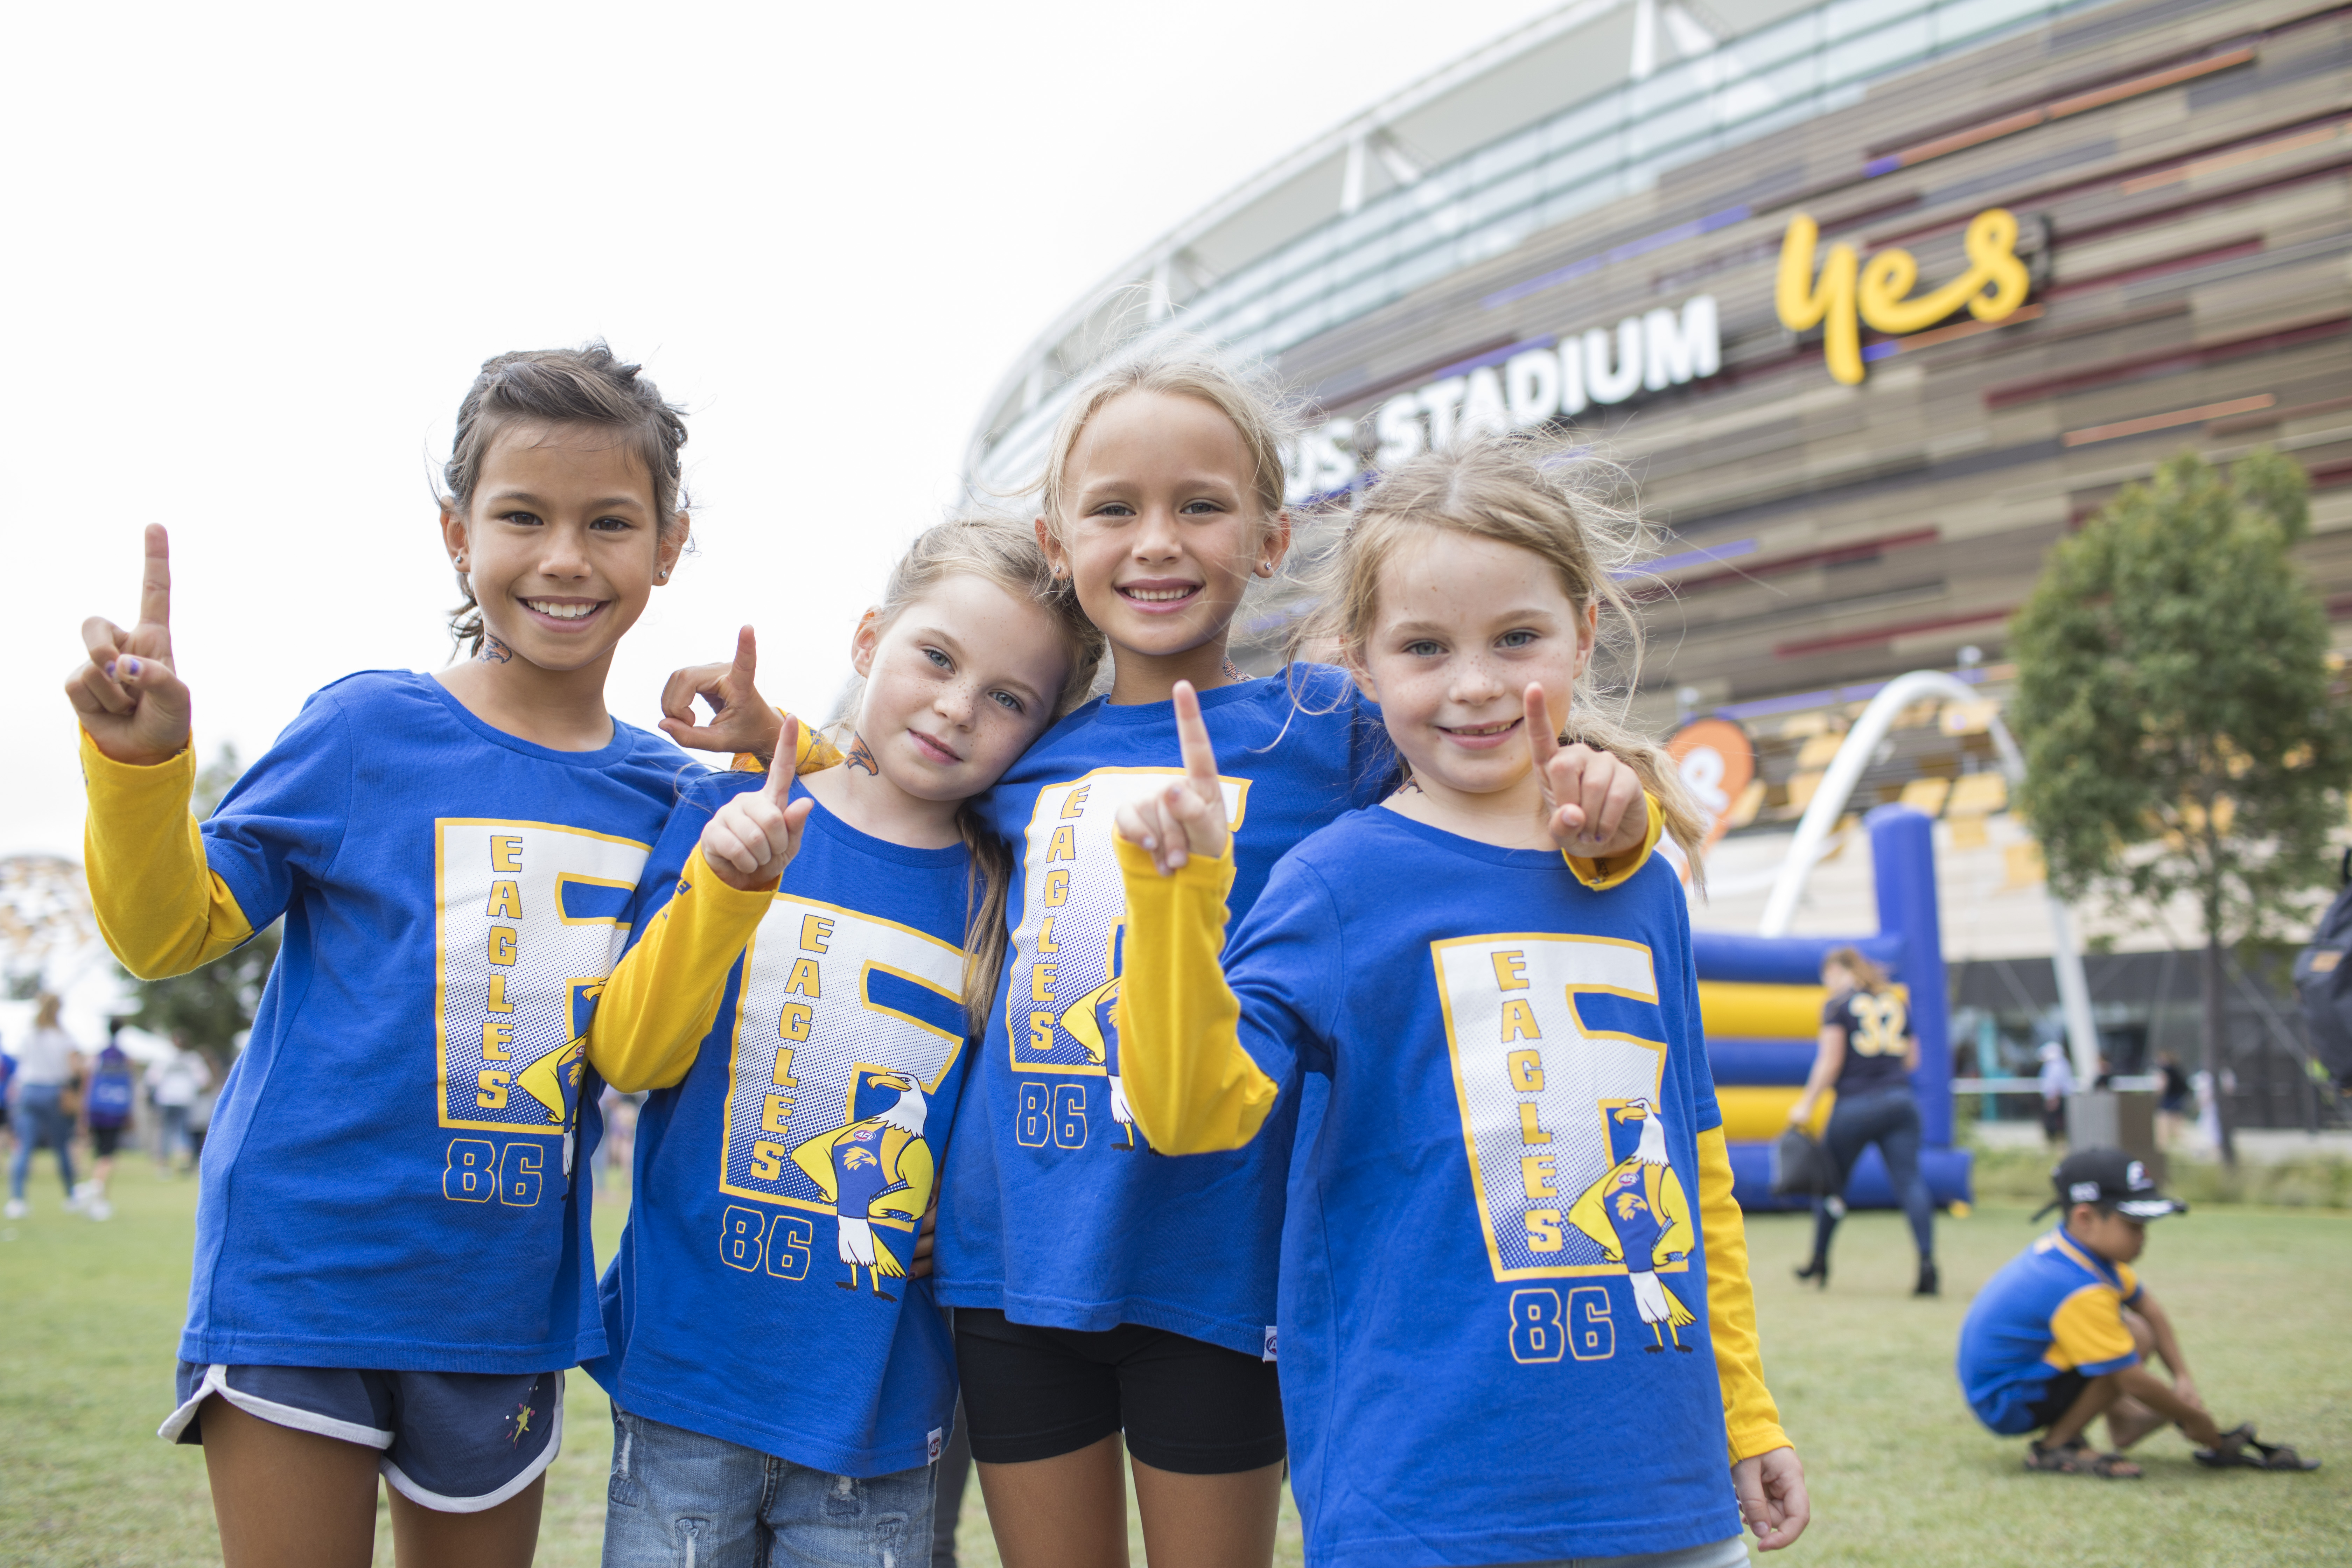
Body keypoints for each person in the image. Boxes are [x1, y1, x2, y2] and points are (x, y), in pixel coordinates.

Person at [715, 345, 1657, 1567]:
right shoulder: (1026, 738)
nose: (1156, 541)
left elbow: (1489, 755)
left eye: (1199, 507)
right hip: (1009, 1270)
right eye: (1115, 510)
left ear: (1268, 537)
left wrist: (1606, 804)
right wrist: (781, 736)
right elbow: (906, 768)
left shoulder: (1331, 728)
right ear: (1060, 544)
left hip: (1222, 1265)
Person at [1110, 434, 1809, 1564]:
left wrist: (1747, 1410)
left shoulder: (1641, 883)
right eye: (1426, 647)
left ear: (1586, 629)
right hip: (1425, 1505)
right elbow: (1192, 1117)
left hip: (1668, 1494)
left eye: (1518, 637)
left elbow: (1698, 1166)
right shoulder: (1333, 886)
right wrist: (1176, 901)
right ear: (1361, 664)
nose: (1477, 684)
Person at [68, 345, 703, 1568]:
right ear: (458, 533)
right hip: (304, 1276)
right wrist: (142, 768)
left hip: (503, 1301)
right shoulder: (366, 728)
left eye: (609, 522)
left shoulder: (676, 797)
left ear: (668, 548)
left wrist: (799, 747)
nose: (565, 557)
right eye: (523, 516)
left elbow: (648, 1040)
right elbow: (166, 933)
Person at [582, 518, 1102, 1564]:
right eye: (937, 658)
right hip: (688, 1377)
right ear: (870, 637)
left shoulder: (1018, 895)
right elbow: (631, 1058)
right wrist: (722, 894)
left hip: (877, 1413)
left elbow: (1027, 1125)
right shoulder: (725, 811)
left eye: (1008, 698)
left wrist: (967, 1221)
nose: (957, 707)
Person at [1956, 1148, 2318, 1476]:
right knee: (2126, 1339)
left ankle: (2125, 1420)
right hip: (2009, 1402)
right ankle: (2056, 1445)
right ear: (2085, 1218)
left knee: (2135, 1328)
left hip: (2023, 1381)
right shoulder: (2078, 1286)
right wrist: (2194, 1419)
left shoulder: (2079, 1252)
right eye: (2134, 1226)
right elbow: (2127, 1377)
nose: (2143, 1237)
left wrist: (2183, 1378)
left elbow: (2149, 1306)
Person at [1787, 946, 1938, 1296]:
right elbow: (1912, 1059)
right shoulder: (1895, 1000)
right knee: (1911, 1183)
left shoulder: (1838, 1005)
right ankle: (1928, 1263)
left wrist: (1806, 1104)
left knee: (1831, 1185)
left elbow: (1831, 1061)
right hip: (1900, 1100)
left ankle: (1819, 1261)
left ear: (1840, 972)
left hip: (1855, 1104)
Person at [6, 994, 84, 1219]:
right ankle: (70, 1195)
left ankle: (17, 1200)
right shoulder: (64, 1037)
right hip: (54, 1092)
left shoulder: (29, 1034)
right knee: (61, 1146)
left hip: (28, 1091)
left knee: (24, 1147)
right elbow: (74, 1070)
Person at [77, 1022, 139, 1220]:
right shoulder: (126, 1059)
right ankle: (95, 1189)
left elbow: (88, 1084)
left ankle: (100, 1199)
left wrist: (84, 1113)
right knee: (108, 1156)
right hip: (115, 1110)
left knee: (100, 1154)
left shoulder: (98, 1057)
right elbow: (130, 1086)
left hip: (97, 1108)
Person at [146, 1032, 211, 1175]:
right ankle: (182, 1164)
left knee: (167, 1133)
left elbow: (152, 1079)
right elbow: (204, 1080)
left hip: (168, 1099)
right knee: (182, 1132)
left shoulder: (164, 1057)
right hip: (183, 1100)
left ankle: (165, 1166)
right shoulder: (193, 1059)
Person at [2038, 1041, 2075, 1147]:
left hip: (2055, 1098)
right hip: (2057, 1097)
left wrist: (2053, 1099)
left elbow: (2056, 1084)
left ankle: (2054, 1143)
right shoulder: (2063, 1064)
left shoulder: (2056, 1065)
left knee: (2054, 1123)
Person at [2155, 1051, 2191, 1148]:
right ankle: (2178, 1143)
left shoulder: (2165, 1070)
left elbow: (2163, 1086)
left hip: (2170, 1097)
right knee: (2177, 1123)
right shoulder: (2177, 1069)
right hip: (2179, 1097)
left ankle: (2164, 1144)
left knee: (2163, 1120)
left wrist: (2158, 1095)